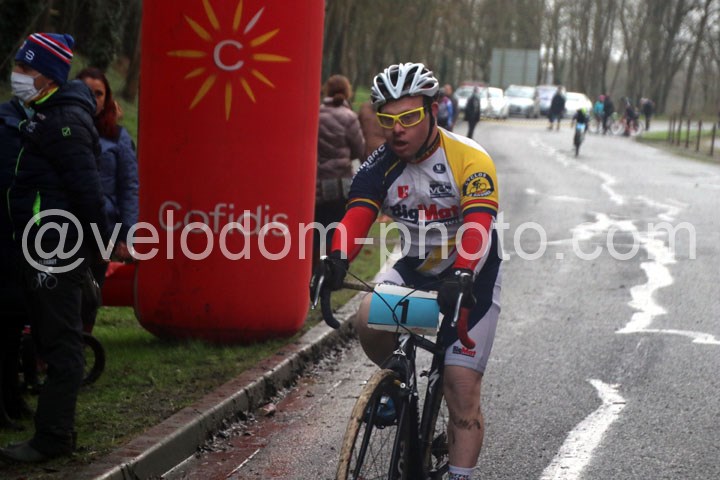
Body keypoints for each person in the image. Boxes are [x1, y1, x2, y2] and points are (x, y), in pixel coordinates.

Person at [313, 62, 502, 480]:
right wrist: (335, 259)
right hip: (415, 272)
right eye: (388, 120)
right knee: (367, 317)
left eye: (410, 117)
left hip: (470, 280)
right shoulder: (379, 165)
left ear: (433, 111)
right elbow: (356, 217)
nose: (397, 130)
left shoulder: (470, 158)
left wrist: (464, 274)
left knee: (460, 388)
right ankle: (400, 391)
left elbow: (478, 225)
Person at [0, 33, 113, 463]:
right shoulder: (49, 114)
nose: (17, 75)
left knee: (62, 344)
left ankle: (53, 437)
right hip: (41, 244)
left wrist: (98, 245)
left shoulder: (64, 122)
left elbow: (88, 192)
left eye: (26, 68)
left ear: (48, 76)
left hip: (54, 246)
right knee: (51, 339)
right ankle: (52, 431)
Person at [76, 67, 137, 295]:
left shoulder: (118, 137)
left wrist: (127, 236)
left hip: (104, 229)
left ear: (107, 98)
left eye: (99, 93)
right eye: (86, 91)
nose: (93, 99)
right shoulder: (60, 129)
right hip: (65, 227)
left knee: (90, 297)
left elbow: (129, 187)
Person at [0, 89, 31, 430]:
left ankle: (12, 395)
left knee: (12, 325)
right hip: (7, 237)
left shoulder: (32, 123)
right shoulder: (7, 125)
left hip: (19, 240)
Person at [314, 74, 365, 264]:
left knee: (315, 231)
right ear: (347, 92)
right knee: (336, 230)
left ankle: (312, 271)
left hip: (317, 184)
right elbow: (359, 150)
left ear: (326, 91)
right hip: (341, 185)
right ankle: (331, 269)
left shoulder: (316, 115)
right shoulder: (349, 117)